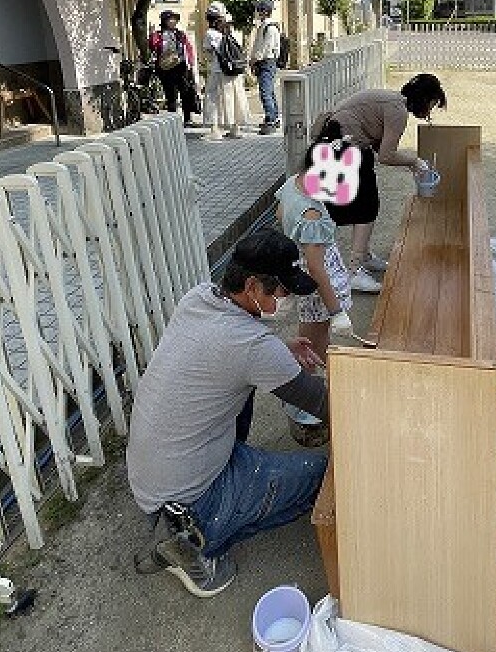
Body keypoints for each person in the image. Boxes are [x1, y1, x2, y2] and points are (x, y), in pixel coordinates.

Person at [126, 230, 329, 597]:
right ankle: (193, 547)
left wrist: (280, 351)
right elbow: (323, 404)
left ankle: (193, 510)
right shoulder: (252, 348)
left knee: (242, 391)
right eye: (280, 291)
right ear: (252, 285)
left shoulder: (199, 297)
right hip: (190, 496)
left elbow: (221, 355)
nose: (284, 299)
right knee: (321, 477)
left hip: (153, 472)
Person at [311, 73, 447, 293]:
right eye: (432, 103)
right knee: (366, 208)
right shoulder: (397, 110)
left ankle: (363, 256)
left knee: (365, 204)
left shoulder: (392, 101)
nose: (430, 111)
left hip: (337, 144)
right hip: (343, 147)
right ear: (424, 98)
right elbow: (386, 155)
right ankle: (354, 271)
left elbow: (378, 146)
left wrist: (410, 164)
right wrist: (415, 161)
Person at [275, 119, 354, 445]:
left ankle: (303, 402)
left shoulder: (293, 184)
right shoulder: (313, 216)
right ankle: (307, 411)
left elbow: (280, 216)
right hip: (320, 286)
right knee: (313, 348)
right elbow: (319, 269)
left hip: (305, 276)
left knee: (308, 341)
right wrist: (336, 310)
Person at [202, 1, 250, 139]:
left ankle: (215, 130)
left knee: (213, 97)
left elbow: (208, 52)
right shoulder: (231, 31)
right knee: (236, 96)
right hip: (234, 70)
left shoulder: (210, 33)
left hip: (219, 70)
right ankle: (236, 128)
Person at [148, 10, 201, 127]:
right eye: (170, 19)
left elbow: (188, 48)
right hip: (165, 69)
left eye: (174, 19)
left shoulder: (180, 34)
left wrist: (191, 63)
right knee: (170, 95)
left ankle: (187, 119)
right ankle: (173, 121)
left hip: (181, 67)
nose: (173, 21)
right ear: (164, 21)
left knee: (186, 93)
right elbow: (153, 46)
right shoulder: (159, 34)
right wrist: (151, 34)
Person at [249, 0, 281, 134]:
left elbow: (266, 48)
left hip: (267, 62)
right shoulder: (264, 26)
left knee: (265, 93)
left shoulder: (270, 27)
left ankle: (271, 122)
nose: (257, 12)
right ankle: (273, 117)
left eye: (259, 10)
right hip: (266, 62)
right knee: (269, 92)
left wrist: (254, 60)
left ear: (264, 12)